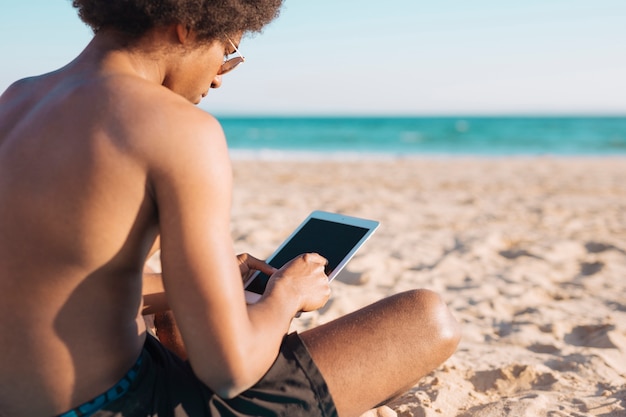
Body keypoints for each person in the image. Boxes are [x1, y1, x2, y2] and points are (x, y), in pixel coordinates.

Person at [0, 1, 461, 416]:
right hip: (113, 403)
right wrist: (286, 296)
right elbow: (230, 369)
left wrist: (204, 284)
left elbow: (53, 279)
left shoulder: (17, 99)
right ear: (186, 24)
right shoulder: (179, 129)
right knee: (427, 318)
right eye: (228, 49)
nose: (221, 74)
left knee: (188, 310)